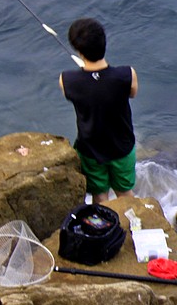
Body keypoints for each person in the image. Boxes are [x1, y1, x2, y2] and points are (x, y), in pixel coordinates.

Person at [59, 18, 138, 204]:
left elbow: (79, 92)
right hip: (122, 146)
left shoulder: (67, 80)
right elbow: (132, 93)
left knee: (100, 195)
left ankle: (103, 222)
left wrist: (87, 75)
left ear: (79, 51)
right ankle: (133, 221)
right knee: (125, 193)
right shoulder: (127, 75)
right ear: (104, 43)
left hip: (90, 149)